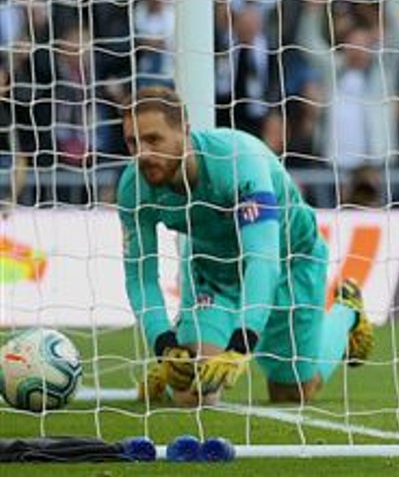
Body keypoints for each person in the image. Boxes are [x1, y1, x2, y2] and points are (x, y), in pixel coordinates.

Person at [117, 85, 374, 406]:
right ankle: (175, 370)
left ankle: (346, 314)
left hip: (288, 263)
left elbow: (262, 259)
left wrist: (243, 342)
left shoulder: (239, 163)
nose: (143, 154)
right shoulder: (133, 187)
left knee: (292, 393)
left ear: (184, 129)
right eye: (132, 143)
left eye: (154, 140)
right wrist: (163, 344)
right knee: (192, 392)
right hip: (212, 273)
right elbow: (140, 276)